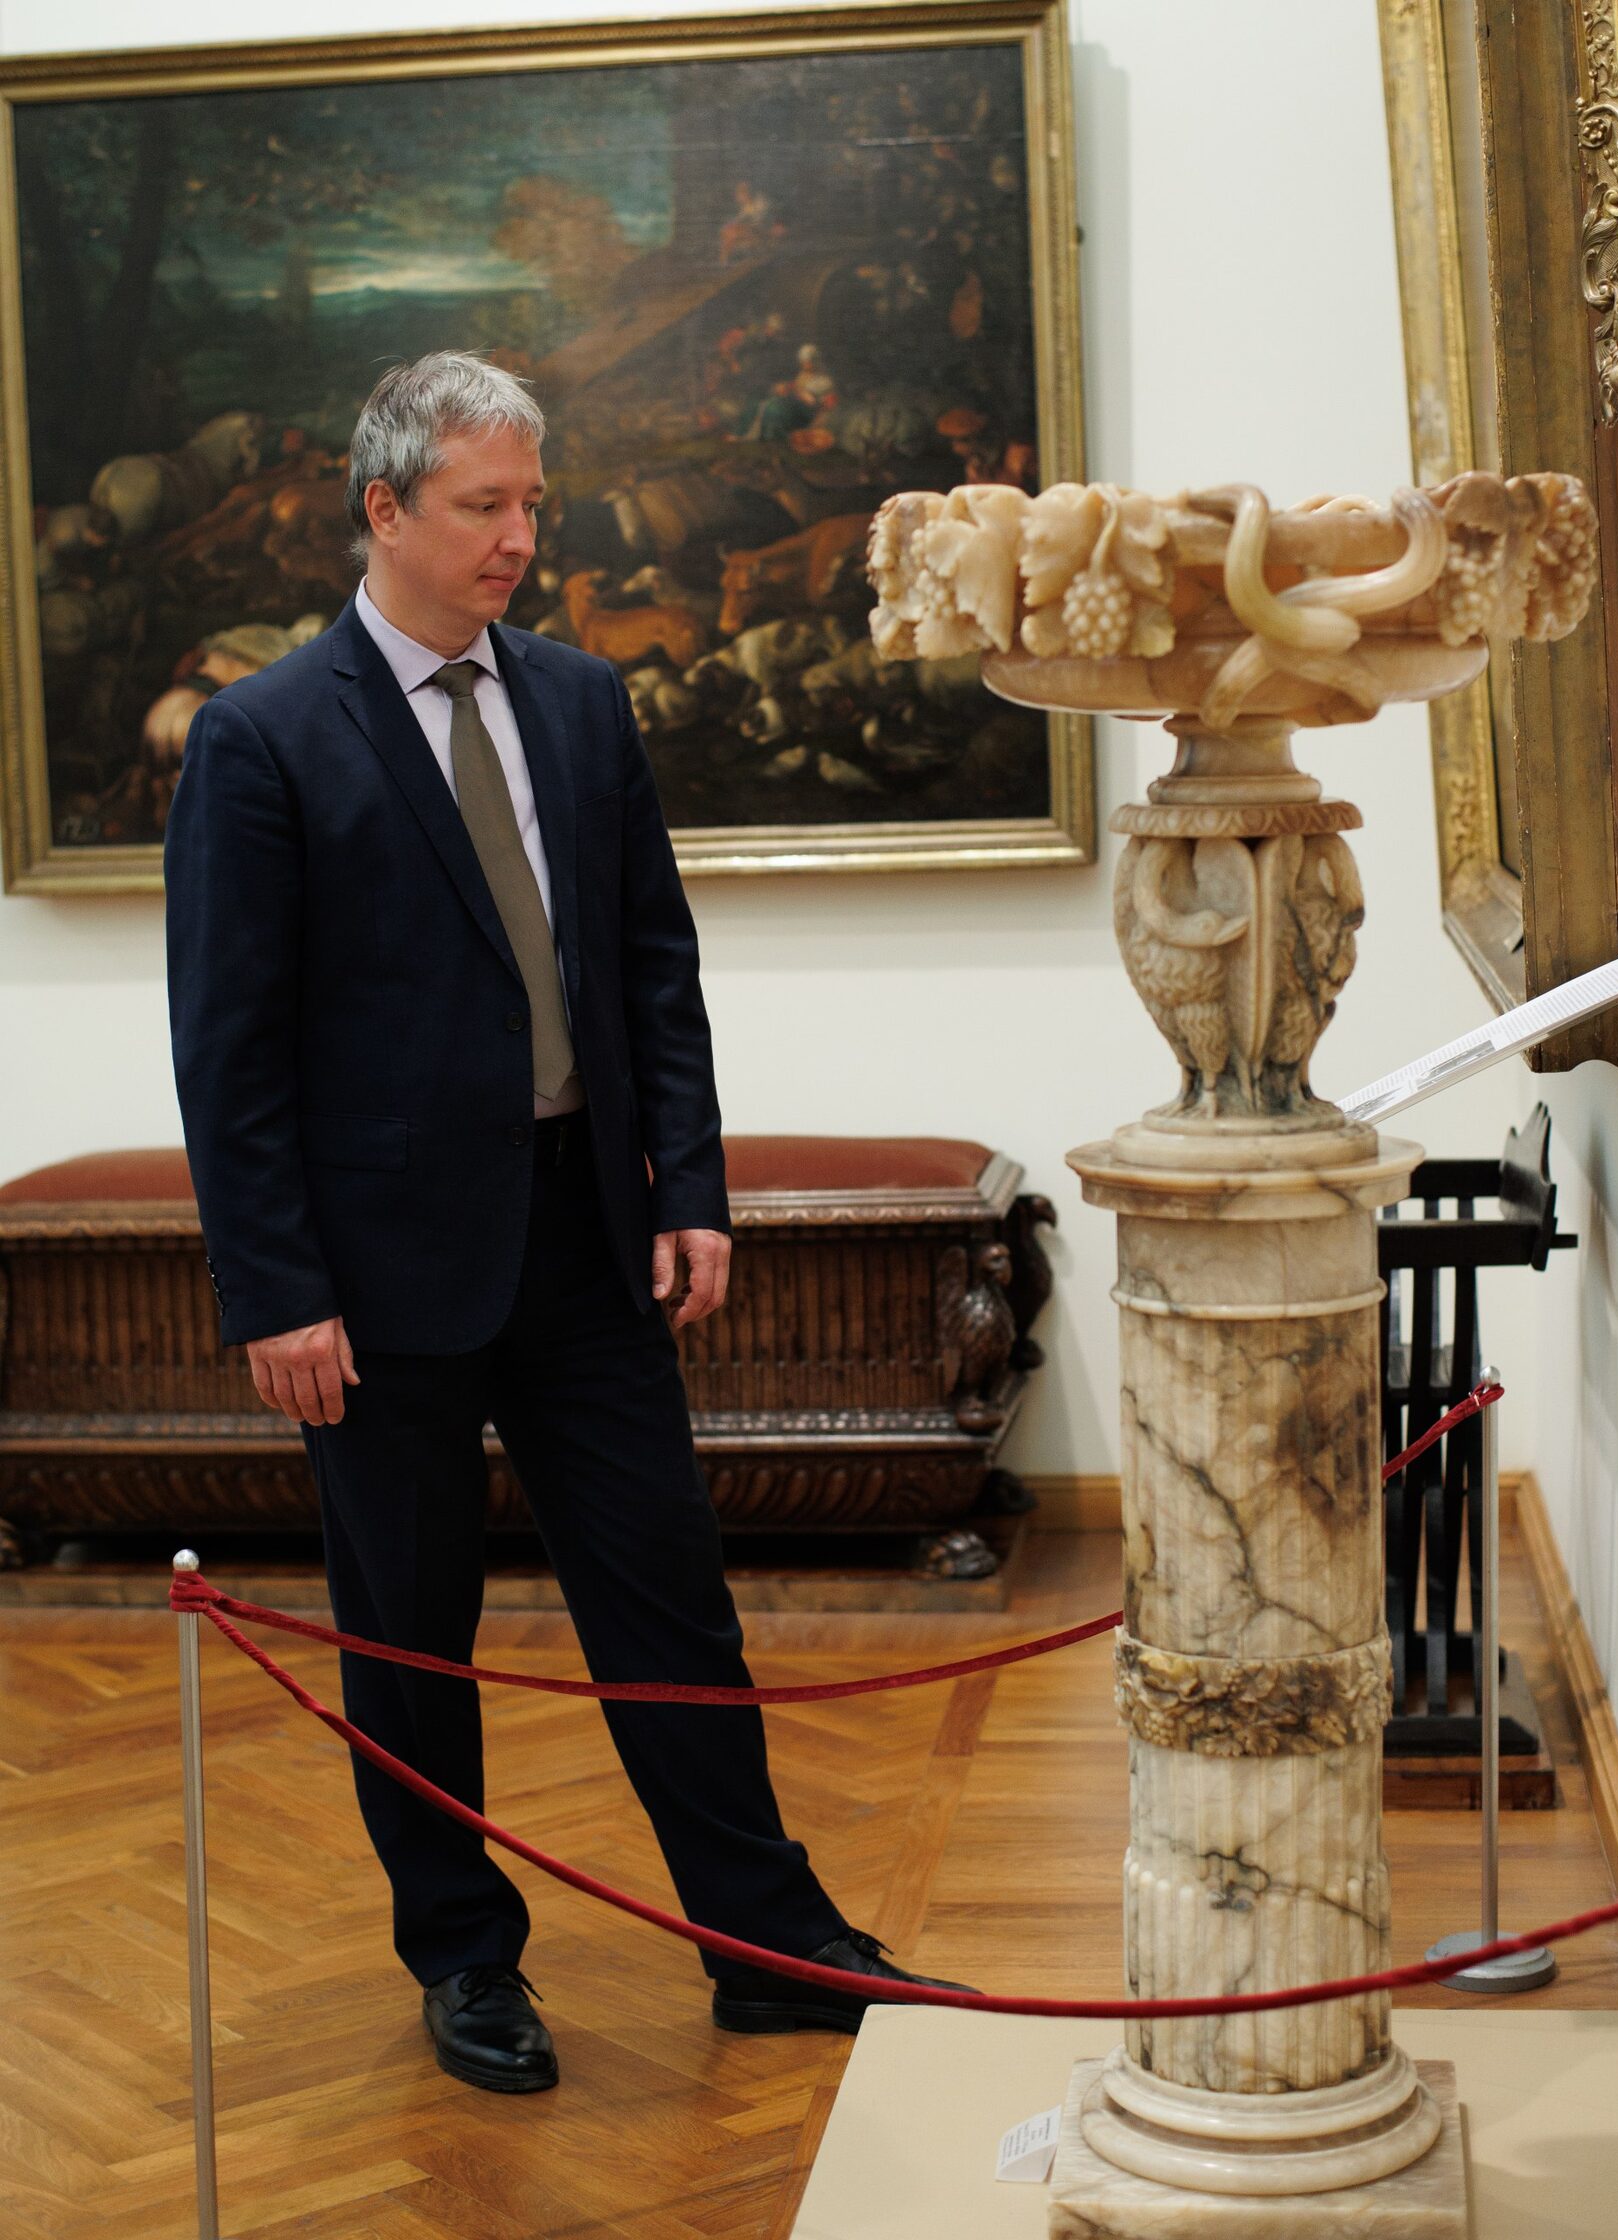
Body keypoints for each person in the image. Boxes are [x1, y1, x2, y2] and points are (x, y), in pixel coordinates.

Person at [163, 349, 963, 2095]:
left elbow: (652, 965)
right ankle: (464, 1958)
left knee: (670, 1601)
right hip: (375, 1278)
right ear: (385, 510)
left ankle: (767, 1948)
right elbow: (228, 1048)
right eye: (484, 506)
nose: (521, 536)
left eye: (532, 502)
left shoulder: (585, 703)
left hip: (587, 1232)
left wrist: (691, 1180)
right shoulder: (263, 736)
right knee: (409, 1638)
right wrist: (274, 1289)